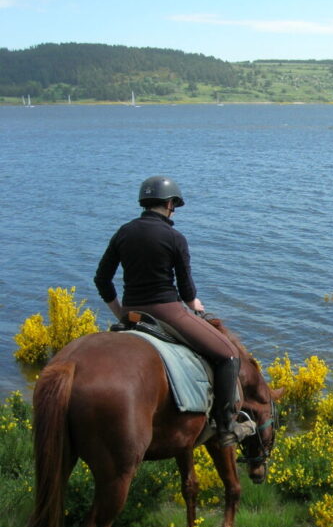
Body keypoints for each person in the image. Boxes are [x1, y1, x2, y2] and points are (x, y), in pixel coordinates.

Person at [94, 175, 255, 448]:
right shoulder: (174, 237)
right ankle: (226, 426)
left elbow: (102, 279)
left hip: (132, 310)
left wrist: (120, 313)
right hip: (167, 311)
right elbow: (187, 290)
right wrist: (195, 305)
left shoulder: (123, 232)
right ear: (170, 203)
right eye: (174, 206)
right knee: (228, 355)